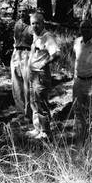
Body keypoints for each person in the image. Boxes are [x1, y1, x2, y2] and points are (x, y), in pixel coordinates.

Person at [26, 12, 61, 140]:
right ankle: (37, 129)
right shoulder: (36, 36)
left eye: (37, 23)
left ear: (43, 23)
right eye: (32, 23)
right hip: (32, 73)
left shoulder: (47, 37)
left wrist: (44, 63)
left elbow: (56, 53)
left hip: (40, 74)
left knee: (41, 103)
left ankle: (45, 131)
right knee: (34, 102)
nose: (35, 26)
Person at [10, 5, 33, 123]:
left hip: (27, 54)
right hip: (16, 54)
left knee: (27, 85)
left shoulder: (32, 24)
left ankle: (28, 114)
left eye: (24, 11)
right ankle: (20, 113)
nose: (22, 13)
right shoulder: (17, 23)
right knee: (16, 85)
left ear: (28, 12)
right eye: (19, 11)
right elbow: (15, 39)